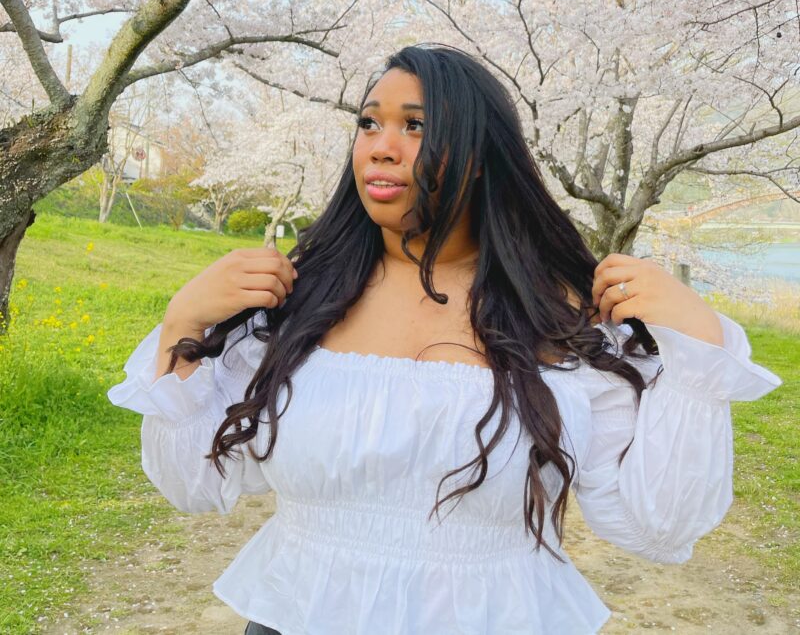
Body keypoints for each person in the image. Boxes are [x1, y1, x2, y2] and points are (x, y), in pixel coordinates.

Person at [107, 43, 782, 635]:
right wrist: (182, 325)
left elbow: (658, 525)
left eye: (416, 127)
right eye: (369, 122)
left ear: (482, 157)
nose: (381, 144)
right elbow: (196, 484)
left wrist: (697, 345)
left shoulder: (562, 321)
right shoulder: (296, 303)